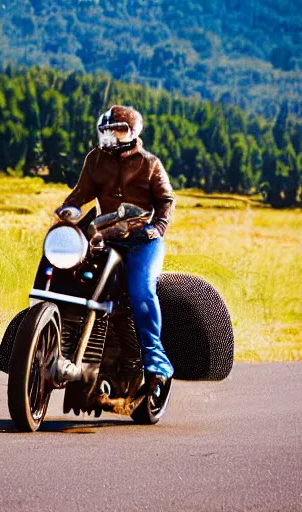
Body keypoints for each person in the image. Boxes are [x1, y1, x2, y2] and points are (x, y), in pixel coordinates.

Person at [55, 105, 175, 387]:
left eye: (118, 130)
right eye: (107, 130)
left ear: (133, 133)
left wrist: (156, 228)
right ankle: (58, 345)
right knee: (72, 278)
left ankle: (156, 360)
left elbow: (166, 201)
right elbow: (81, 193)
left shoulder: (149, 163)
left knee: (141, 291)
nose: (111, 135)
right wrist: (68, 208)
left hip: (142, 240)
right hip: (105, 235)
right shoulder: (95, 159)